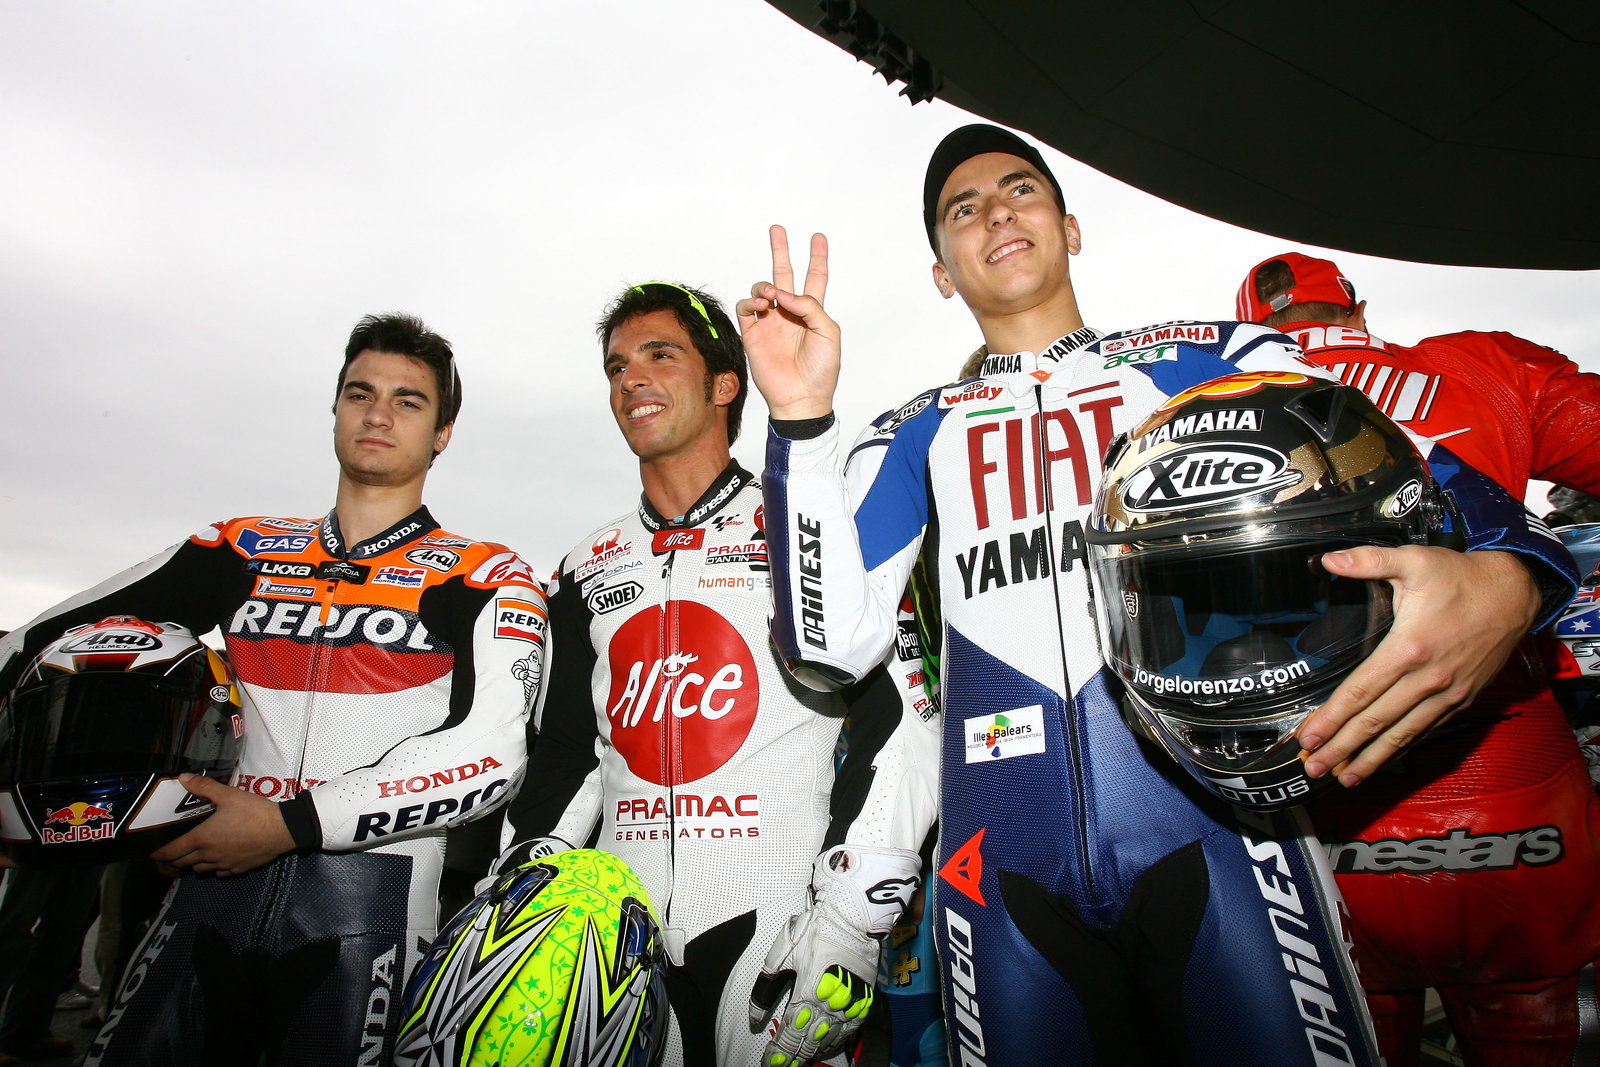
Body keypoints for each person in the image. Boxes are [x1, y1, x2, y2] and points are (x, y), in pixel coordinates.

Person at [737, 123, 1575, 1064]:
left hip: (1226, 841)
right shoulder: (909, 434)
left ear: (1071, 226)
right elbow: (827, 648)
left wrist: (1507, 575)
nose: (996, 213)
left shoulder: (1207, 358)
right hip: (997, 875)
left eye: (1020, 190)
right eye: (962, 210)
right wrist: (801, 420)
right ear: (943, 271)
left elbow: (1419, 462)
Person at [0, 313, 544, 1066]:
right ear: (335, 409)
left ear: (443, 432)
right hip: (204, 883)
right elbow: (36, 643)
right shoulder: (243, 546)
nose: (378, 413)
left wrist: (287, 823)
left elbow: (494, 755)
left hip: (372, 902)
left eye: (408, 400)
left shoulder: (484, 573)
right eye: (360, 392)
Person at [497, 282, 936, 1067]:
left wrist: (850, 920)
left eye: (660, 355)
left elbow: (901, 723)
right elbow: (567, 756)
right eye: (617, 365)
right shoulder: (582, 565)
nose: (631, 378)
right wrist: (521, 885)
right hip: (614, 939)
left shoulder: (810, 525)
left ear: (725, 384)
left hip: (780, 925)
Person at [1238, 253, 1600, 1064]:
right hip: (1517, 796)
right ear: (1357, 307)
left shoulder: (1219, 411)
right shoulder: (1480, 367)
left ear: (1255, 331)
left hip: (1318, 798)